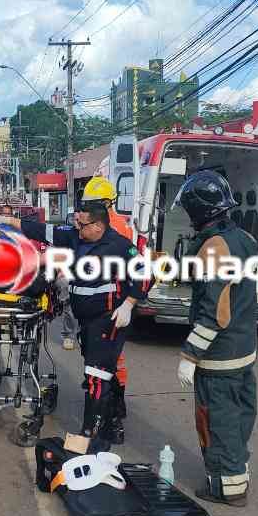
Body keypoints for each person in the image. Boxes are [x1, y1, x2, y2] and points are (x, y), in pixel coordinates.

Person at [0, 202, 146, 444]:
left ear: (98, 225)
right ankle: (114, 421)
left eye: (82, 225)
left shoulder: (119, 246)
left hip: (108, 319)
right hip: (86, 320)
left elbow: (145, 273)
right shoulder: (75, 237)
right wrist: (5, 220)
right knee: (104, 373)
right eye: (76, 223)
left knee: (95, 375)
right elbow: (40, 230)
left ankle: (89, 434)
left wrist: (129, 304)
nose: (77, 228)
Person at [167, 171, 258, 506]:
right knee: (239, 417)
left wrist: (189, 356)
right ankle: (237, 468)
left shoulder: (214, 248)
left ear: (197, 210)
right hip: (245, 350)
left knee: (217, 421)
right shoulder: (244, 239)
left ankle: (227, 488)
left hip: (219, 358)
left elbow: (216, 313)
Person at [80, 176, 139, 432]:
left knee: (106, 364)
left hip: (110, 306)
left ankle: (108, 417)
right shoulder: (112, 224)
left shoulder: (114, 228)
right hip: (104, 304)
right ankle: (111, 409)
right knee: (107, 363)